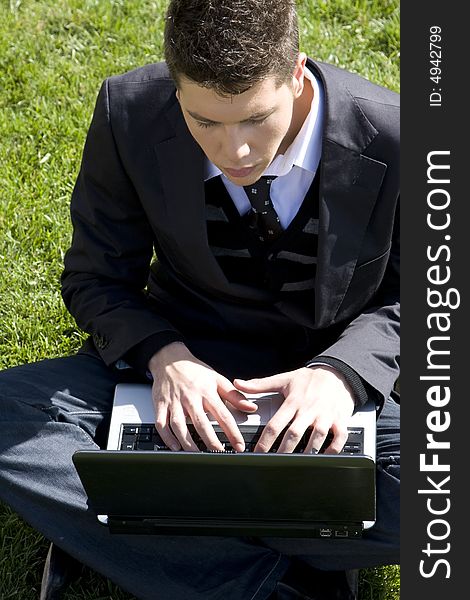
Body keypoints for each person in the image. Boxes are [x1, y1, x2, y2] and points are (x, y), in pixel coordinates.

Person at [0, 1, 400, 599]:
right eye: (203, 122)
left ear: (296, 73)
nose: (232, 152)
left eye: (253, 119)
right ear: (175, 88)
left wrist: (341, 376)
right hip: (182, 358)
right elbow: (96, 278)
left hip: (332, 370)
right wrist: (166, 358)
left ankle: (136, 524)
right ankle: (287, 571)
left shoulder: (401, 134)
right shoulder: (129, 112)